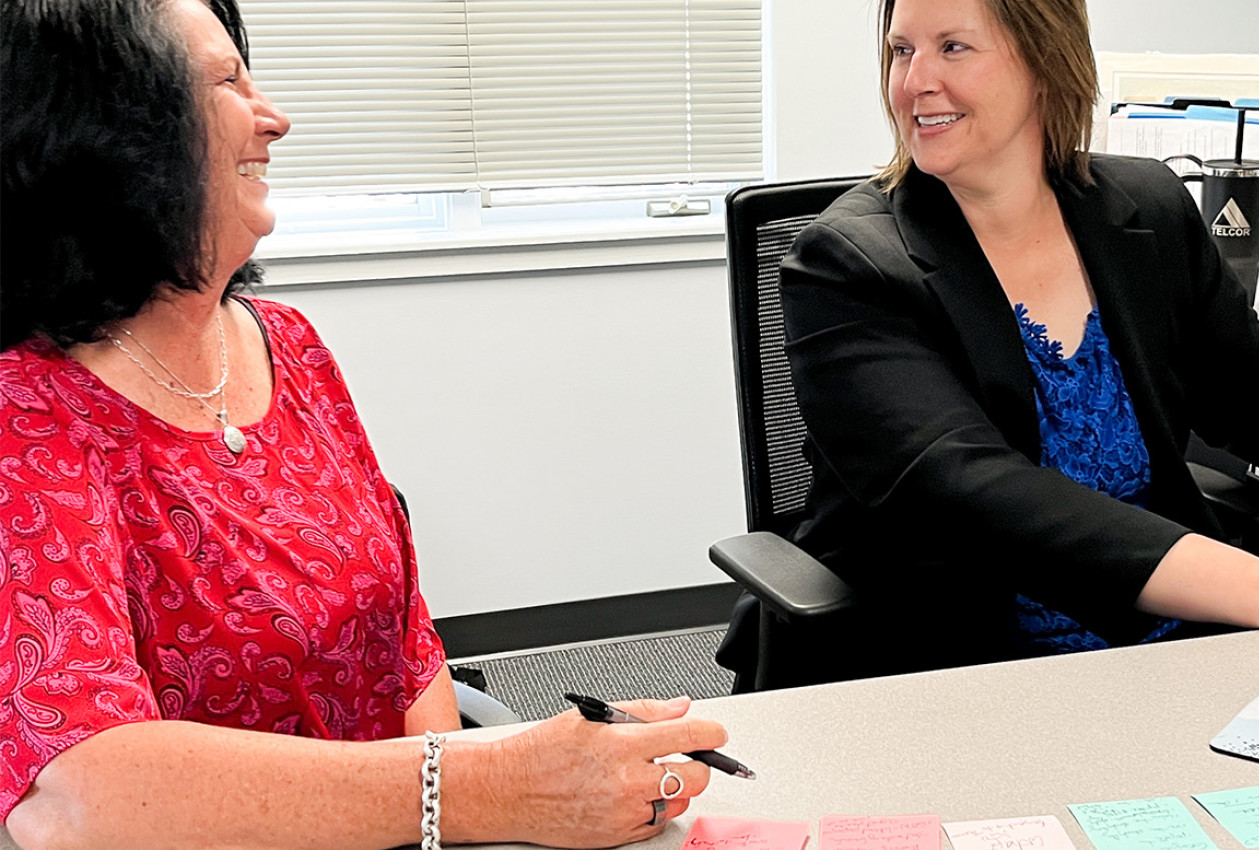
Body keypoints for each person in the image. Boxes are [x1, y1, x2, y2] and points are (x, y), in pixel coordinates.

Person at [0, 1, 724, 847]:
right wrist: (496, 786)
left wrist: (491, 809)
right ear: (97, 126)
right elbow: (82, 796)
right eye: (227, 82)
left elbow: (403, 641)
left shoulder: (290, 347)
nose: (274, 117)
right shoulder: (28, 408)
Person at [719, 0, 1259, 688]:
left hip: (1169, 621)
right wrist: (1255, 583)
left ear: (1046, 59)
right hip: (959, 655)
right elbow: (971, 491)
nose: (915, 81)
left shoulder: (1141, 207)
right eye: (901, 50)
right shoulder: (845, 263)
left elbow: (1252, 374)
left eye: (953, 47)